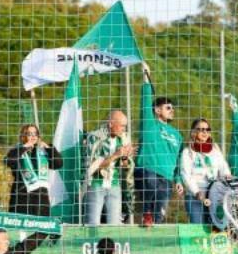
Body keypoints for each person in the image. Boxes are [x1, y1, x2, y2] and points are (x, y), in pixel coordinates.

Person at [136, 64, 183, 226]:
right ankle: (146, 212)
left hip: (167, 177)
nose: (172, 110)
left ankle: (154, 224)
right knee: (150, 184)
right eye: (168, 107)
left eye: (173, 108)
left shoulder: (177, 135)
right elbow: (145, 102)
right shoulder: (149, 124)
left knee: (160, 214)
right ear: (156, 110)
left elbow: (179, 160)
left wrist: (178, 179)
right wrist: (146, 79)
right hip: (147, 169)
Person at [83, 110, 134, 226]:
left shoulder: (124, 139)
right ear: (111, 124)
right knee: (93, 225)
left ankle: (112, 244)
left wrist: (125, 157)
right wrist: (115, 155)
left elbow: (125, 166)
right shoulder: (95, 137)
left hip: (114, 185)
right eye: (121, 126)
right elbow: (91, 168)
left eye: (125, 126)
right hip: (96, 185)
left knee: (114, 226)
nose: (123, 129)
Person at [179, 118, 230, 224]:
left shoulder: (215, 151)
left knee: (215, 228)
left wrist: (227, 176)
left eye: (207, 129)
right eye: (201, 129)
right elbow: (186, 174)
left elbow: (224, 167)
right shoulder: (187, 152)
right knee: (198, 229)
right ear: (193, 132)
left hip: (214, 195)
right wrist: (196, 191)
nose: (205, 132)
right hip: (195, 197)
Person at [4, 124, 62, 217]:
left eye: (35, 134)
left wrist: (49, 148)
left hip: (41, 198)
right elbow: (9, 161)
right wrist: (24, 147)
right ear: (23, 136)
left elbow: (58, 164)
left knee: (40, 228)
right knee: (21, 228)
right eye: (29, 134)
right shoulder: (17, 150)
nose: (33, 136)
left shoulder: (43, 151)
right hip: (22, 196)